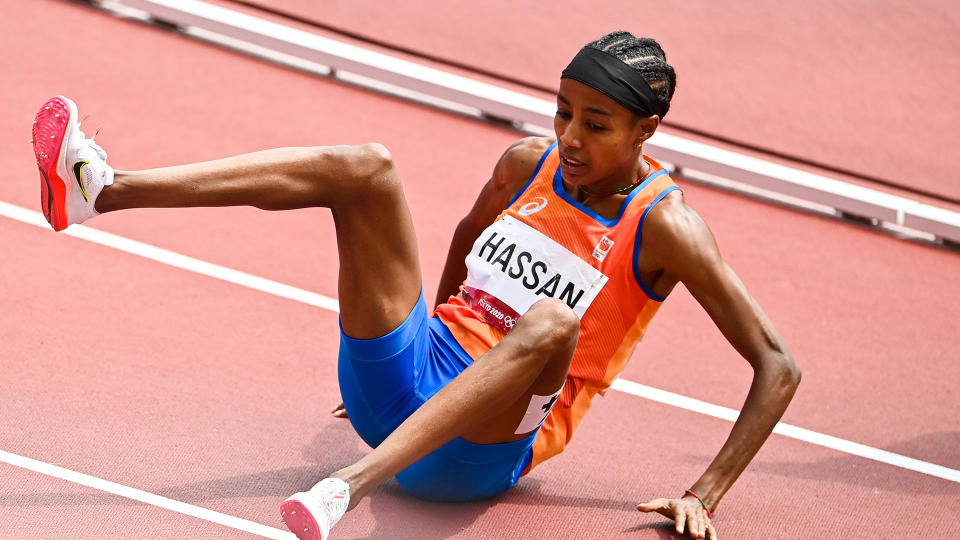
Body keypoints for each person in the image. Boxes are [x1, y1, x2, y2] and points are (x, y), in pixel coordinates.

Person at [31, 31, 800, 540]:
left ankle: (346, 488)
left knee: (552, 322)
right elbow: (466, 241)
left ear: (646, 131)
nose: (568, 137)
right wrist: (422, 344)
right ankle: (104, 187)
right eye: (564, 111)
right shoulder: (526, 164)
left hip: (476, 454)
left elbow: (778, 364)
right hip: (402, 388)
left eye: (596, 125)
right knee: (366, 165)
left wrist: (705, 493)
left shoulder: (666, 228)